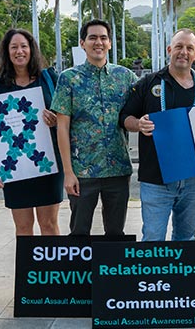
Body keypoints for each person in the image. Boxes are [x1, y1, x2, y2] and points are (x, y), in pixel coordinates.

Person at [120, 29, 195, 241]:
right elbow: (125, 117)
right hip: (156, 178)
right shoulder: (149, 83)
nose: (184, 52)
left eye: (189, 48)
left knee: (186, 238)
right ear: (169, 49)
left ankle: (180, 266)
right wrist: (138, 124)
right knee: (153, 238)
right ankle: (154, 267)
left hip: (194, 178)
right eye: (179, 46)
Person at [51, 19, 137, 236]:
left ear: (110, 43)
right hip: (82, 172)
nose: (98, 42)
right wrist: (68, 173)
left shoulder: (125, 77)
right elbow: (62, 128)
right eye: (92, 38)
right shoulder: (69, 79)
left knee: (116, 234)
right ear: (82, 43)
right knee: (79, 233)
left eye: (103, 38)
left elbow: (152, 93)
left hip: (118, 169)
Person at [0, 29, 62, 236]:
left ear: (31, 50)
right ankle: (27, 260)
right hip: (14, 164)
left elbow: (65, 117)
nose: (19, 51)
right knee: (23, 226)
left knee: (49, 224)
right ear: (7, 52)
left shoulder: (49, 78)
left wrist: (55, 120)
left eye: (24, 46)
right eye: (14, 47)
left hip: (46, 162)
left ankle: (52, 260)